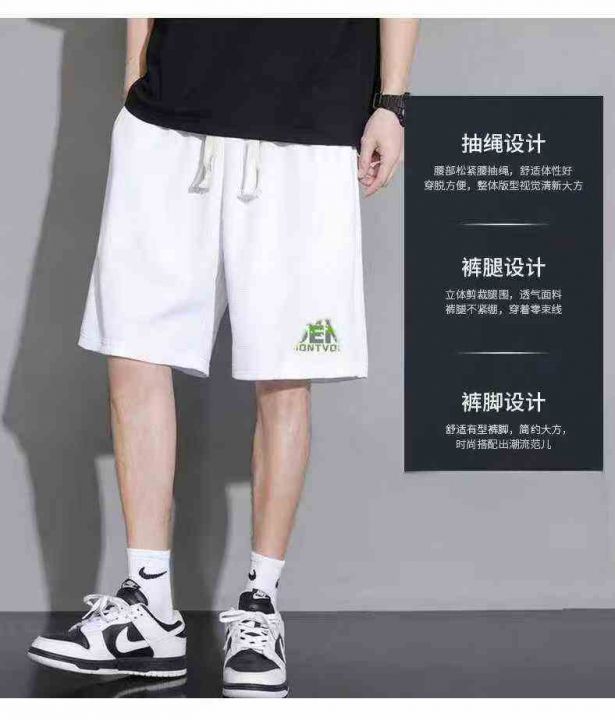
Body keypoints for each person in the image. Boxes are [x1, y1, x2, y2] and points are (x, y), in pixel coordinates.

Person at [27, 18, 419, 697]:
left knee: (284, 377)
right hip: (169, 111)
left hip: (309, 115)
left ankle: (260, 607)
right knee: (133, 349)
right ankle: (149, 608)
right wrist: (135, 70)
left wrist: (392, 102)